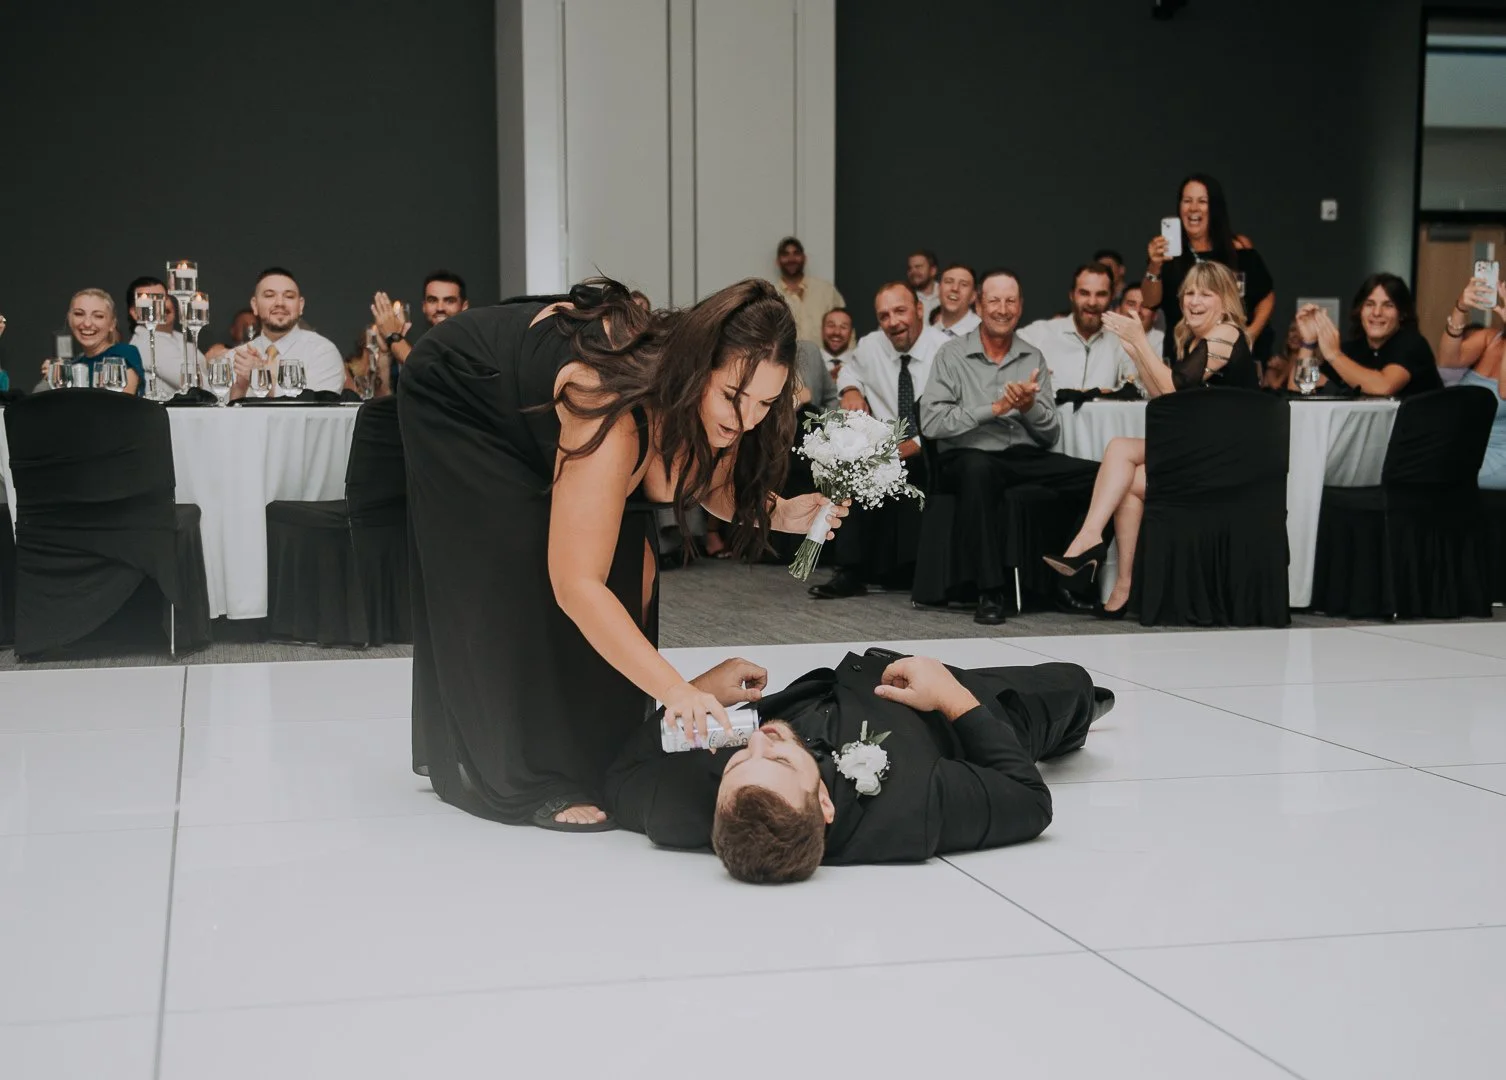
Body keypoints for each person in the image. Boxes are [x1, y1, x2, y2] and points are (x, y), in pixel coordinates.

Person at [398, 277, 845, 831]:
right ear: (697, 366)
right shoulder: (607, 403)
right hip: (462, 394)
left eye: (766, 403)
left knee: (629, 564)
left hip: (549, 398)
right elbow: (576, 584)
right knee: (518, 563)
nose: (747, 419)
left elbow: (699, 481)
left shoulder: (718, 404)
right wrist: (675, 689)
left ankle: (590, 748)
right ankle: (516, 771)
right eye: (734, 396)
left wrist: (782, 513)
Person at [605, 651, 1112, 882]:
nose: (758, 739)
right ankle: (1085, 712)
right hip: (954, 712)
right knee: (1073, 683)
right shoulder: (912, 811)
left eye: (740, 762)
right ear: (824, 802)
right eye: (780, 758)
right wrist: (952, 696)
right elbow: (1028, 799)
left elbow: (621, 776)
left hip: (844, 685)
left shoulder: (686, 811)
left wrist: (699, 689)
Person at [1045, 261, 1254, 618]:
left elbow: (1175, 387)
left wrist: (1140, 340)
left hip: (1226, 461)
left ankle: (1090, 541)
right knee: (1123, 468)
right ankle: (1121, 579)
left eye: (1206, 293)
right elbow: (1169, 402)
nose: (1194, 301)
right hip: (1203, 450)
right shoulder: (1198, 339)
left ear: (1225, 301)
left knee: (1121, 450)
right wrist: (1135, 349)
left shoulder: (1227, 333)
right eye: (1189, 293)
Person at [919, 269, 1102, 625]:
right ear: (979, 304)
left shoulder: (1032, 357)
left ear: (1020, 307)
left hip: (1020, 456)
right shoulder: (952, 355)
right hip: (965, 455)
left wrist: (1028, 408)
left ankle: (1069, 581)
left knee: (1102, 477)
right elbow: (932, 423)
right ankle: (990, 590)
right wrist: (996, 409)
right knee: (978, 469)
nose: (1002, 309)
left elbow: (1049, 435)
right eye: (994, 300)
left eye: (1010, 301)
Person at [809, 282, 944, 599]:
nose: (893, 322)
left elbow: (955, 411)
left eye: (900, 311)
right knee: (851, 465)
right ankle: (849, 571)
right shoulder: (870, 346)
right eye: (884, 316)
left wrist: (914, 445)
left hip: (932, 447)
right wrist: (851, 390)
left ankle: (909, 571)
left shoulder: (945, 350)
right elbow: (848, 373)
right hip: (884, 448)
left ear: (919, 309)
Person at [1140, 174, 1275, 365]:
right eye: (1187, 201)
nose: (1193, 208)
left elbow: (1266, 296)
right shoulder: (1167, 253)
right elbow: (1149, 301)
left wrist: (1251, 334)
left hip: (1233, 357)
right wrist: (1154, 265)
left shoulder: (1238, 249)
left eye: (1202, 201)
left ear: (1215, 208)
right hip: (1183, 357)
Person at [1289, 273, 1442, 399]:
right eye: (1370, 304)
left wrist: (1334, 355)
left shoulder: (1412, 344)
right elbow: (1298, 389)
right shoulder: (1351, 350)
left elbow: (1384, 386)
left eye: (1388, 305)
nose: (1376, 313)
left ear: (1401, 314)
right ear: (1360, 310)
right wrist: (1308, 343)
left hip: (1418, 432)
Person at [227, 268, 346, 399]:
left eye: (289, 296)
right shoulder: (236, 357)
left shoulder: (322, 352)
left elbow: (316, 413)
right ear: (254, 305)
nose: (280, 303)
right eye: (269, 295)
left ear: (300, 306)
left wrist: (261, 378)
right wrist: (239, 389)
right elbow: (219, 416)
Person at [1018, 263, 1137, 392]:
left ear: (1112, 296)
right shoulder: (1039, 334)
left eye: (1101, 294)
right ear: (1072, 295)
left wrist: (1112, 393)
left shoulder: (1122, 342)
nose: (1092, 302)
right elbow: (1002, 360)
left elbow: (1138, 390)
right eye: (1084, 293)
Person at [1437, 274, 1506, 488]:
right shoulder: (1491, 339)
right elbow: (1447, 359)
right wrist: (1461, 309)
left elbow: (1504, 392)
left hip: (1498, 458)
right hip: (1462, 449)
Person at [43, 289, 144, 395]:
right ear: (69, 319)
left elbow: (121, 404)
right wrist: (57, 377)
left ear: (112, 324)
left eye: (98, 316)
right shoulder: (75, 364)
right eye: (79, 314)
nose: (87, 323)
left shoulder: (124, 354)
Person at [368, 270, 470, 374]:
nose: (440, 308)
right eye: (432, 300)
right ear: (424, 306)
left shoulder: (473, 347)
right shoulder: (420, 347)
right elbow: (384, 390)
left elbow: (431, 376)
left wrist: (393, 337)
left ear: (464, 306)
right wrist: (385, 352)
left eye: (449, 301)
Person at [125, 276, 203, 392]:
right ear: (135, 313)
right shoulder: (146, 342)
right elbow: (196, 385)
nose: (163, 306)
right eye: (152, 301)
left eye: (164, 298)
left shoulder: (179, 337)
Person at [774, 236, 844, 344]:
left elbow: (845, 326)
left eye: (796, 253)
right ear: (778, 261)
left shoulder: (826, 291)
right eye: (785, 254)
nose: (791, 259)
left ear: (804, 258)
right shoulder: (771, 295)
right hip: (785, 360)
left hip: (822, 359)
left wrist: (847, 359)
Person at [1117, 280, 1164, 358]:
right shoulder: (1106, 337)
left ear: (1155, 315)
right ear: (1118, 310)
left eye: (1145, 306)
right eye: (1131, 304)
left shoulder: (1164, 343)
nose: (1137, 310)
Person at [933, 262, 981, 338]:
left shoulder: (984, 333)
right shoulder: (927, 334)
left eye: (963, 284)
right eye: (949, 281)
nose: (955, 288)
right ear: (938, 289)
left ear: (973, 296)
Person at [819, 307, 855, 380]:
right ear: (822, 330)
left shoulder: (860, 362)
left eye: (843, 327)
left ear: (851, 333)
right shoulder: (807, 363)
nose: (837, 332)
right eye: (831, 326)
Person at [907, 249, 941, 321]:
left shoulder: (947, 294)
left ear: (933, 270)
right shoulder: (903, 297)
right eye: (910, 268)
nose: (913, 272)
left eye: (918, 267)